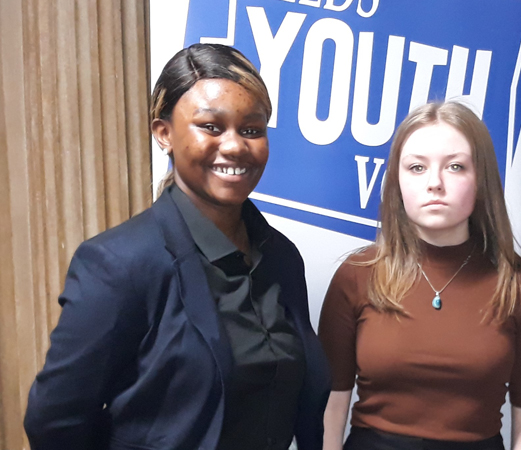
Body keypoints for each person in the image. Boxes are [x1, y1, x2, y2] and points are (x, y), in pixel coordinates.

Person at [24, 43, 330, 450]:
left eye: (252, 130)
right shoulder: (119, 264)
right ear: (163, 134)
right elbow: (55, 422)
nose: (236, 145)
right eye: (211, 127)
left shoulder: (281, 257)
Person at [318, 101, 521, 450]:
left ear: (481, 179)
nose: (435, 183)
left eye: (455, 167)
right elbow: (330, 408)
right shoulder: (356, 276)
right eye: (416, 167)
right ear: (396, 180)